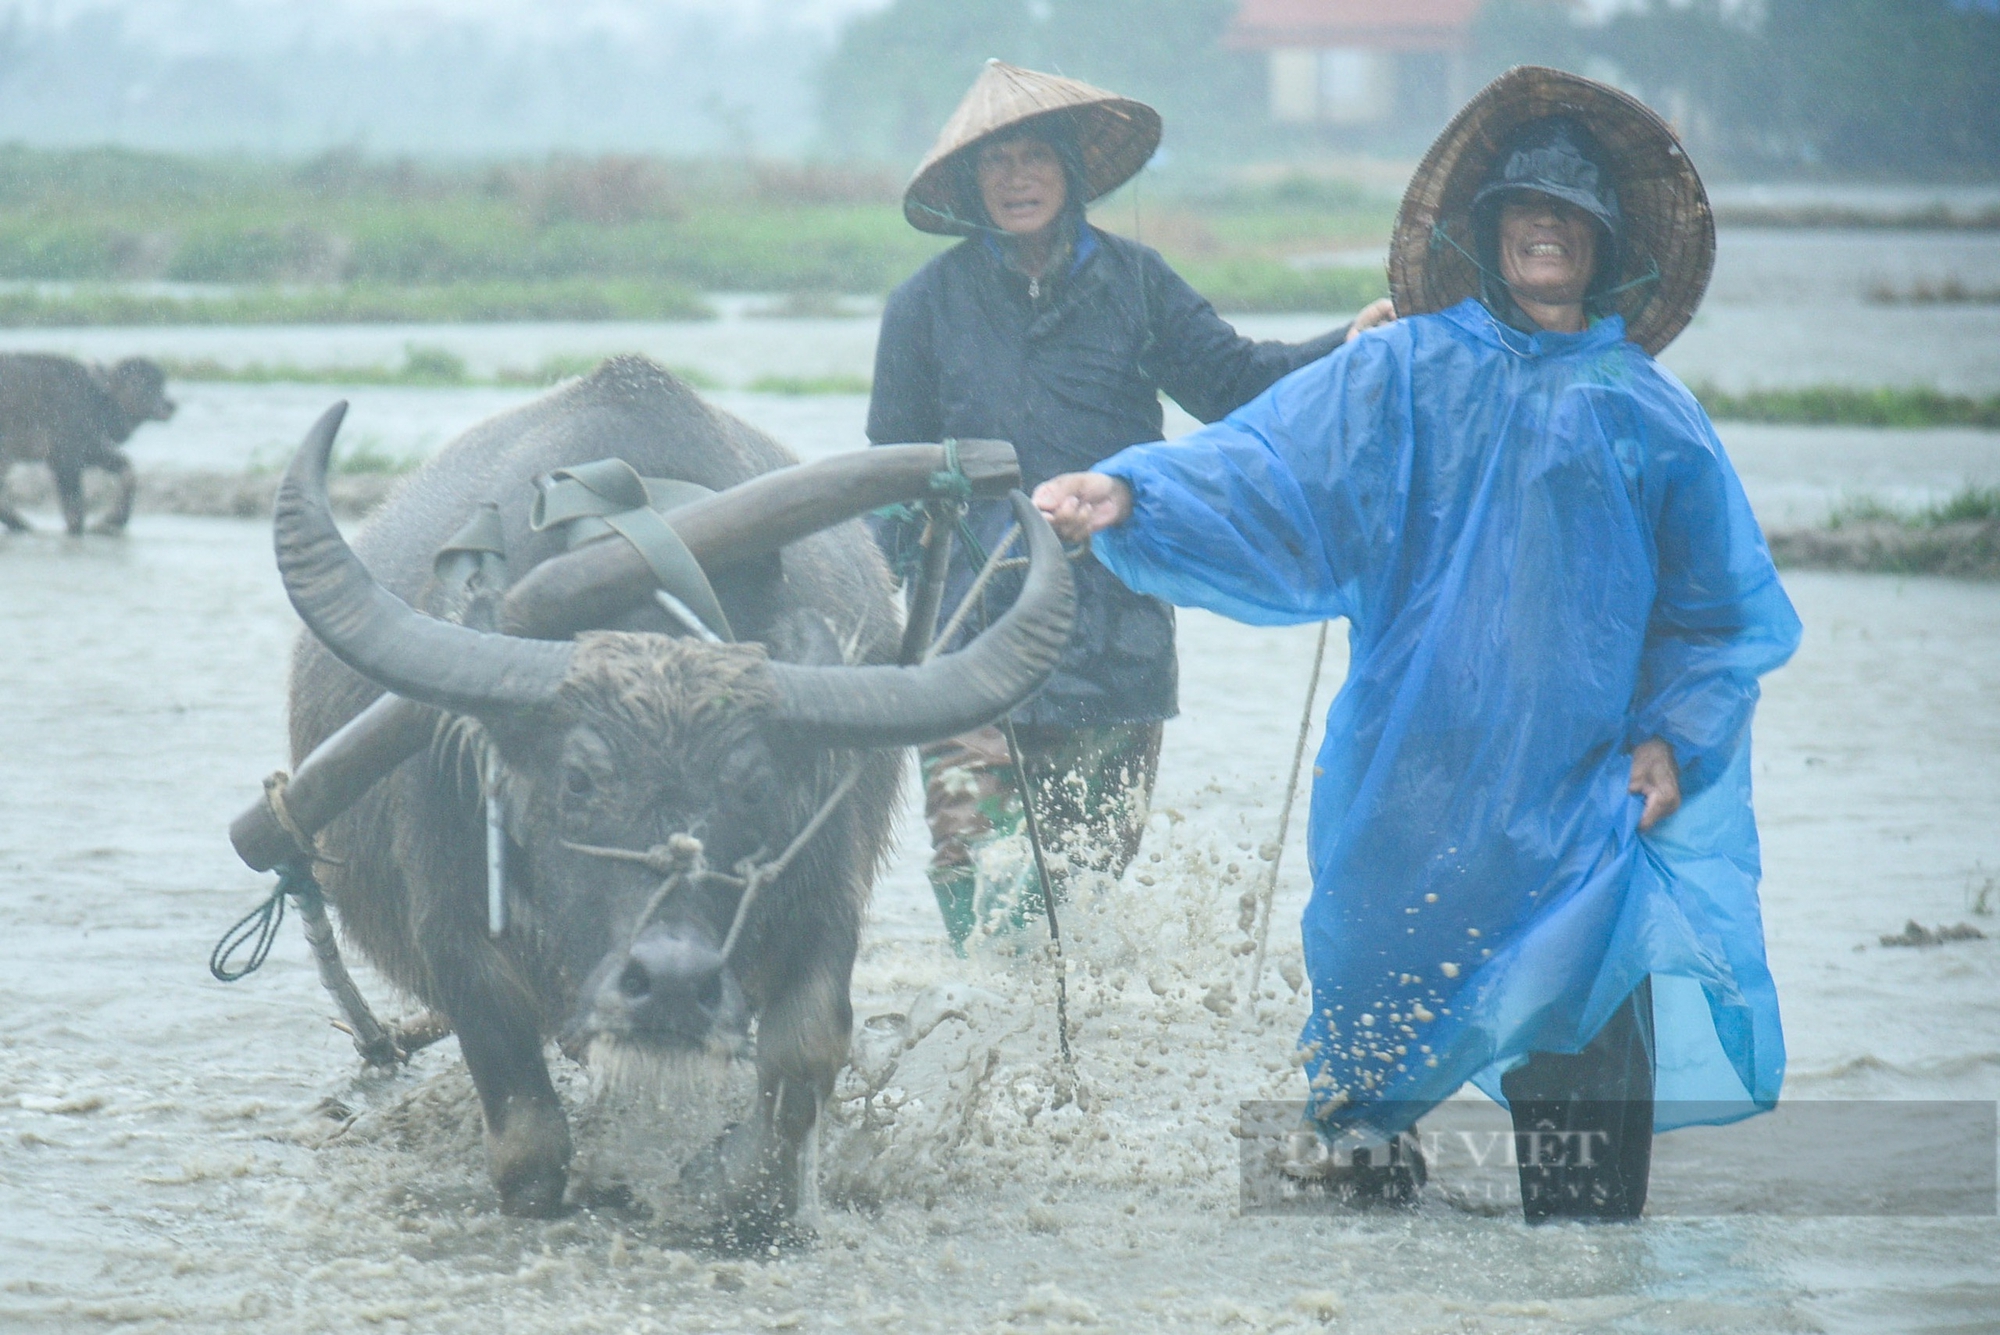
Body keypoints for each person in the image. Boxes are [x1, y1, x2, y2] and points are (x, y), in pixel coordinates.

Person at [1034, 67, 1802, 1221]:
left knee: (1584, 1113)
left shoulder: (1649, 415)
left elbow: (1713, 612)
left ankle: (1583, 1281)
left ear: (1600, 245)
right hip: (1411, 783)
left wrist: (1673, 739)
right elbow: (1263, 466)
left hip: (1580, 794)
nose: (1544, 228)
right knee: (1360, 1079)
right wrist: (1131, 493)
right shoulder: (1396, 373)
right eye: (1522, 210)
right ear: (1486, 231)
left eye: (1569, 215)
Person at [869, 60, 1394, 950]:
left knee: (1077, 896)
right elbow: (894, 481)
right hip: (968, 639)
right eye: (996, 162)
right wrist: (879, 624)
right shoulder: (924, 307)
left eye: (1037, 157)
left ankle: (1055, 1066)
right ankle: (995, 1041)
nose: (1018, 177)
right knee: (979, 880)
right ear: (971, 184)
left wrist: (1344, 348)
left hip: (1114, 638)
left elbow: (1235, 385)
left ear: (1073, 173)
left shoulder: (1138, 284)